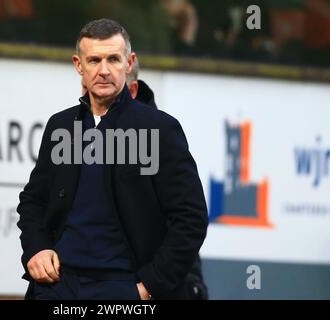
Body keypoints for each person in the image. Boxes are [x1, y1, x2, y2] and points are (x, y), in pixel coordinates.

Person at [17, 18, 208, 300]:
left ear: (129, 63)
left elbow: (191, 218)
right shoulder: (61, 126)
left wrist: (149, 286)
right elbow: (33, 201)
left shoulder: (160, 129)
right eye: (94, 60)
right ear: (79, 66)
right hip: (58, 285)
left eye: (113, 59)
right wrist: (36, 248)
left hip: (123, 286)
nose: (104, 70)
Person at [126, 57, 208, 299]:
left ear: (131, 90)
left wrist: (148, 286)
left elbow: (190, 220)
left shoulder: (162, 136)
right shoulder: (78, 134)